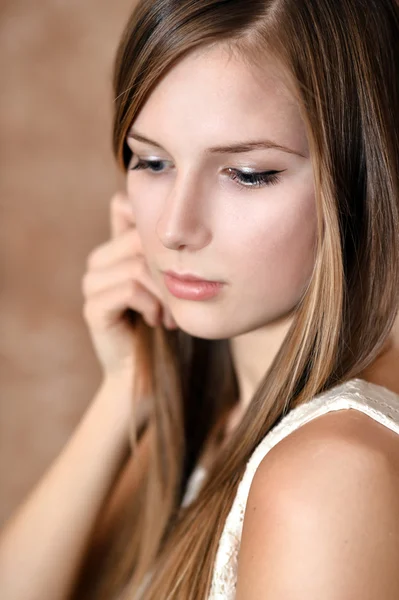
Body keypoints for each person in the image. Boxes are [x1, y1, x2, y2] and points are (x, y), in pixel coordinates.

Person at [1, 0, 399, 598]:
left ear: (362, 176)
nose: (174, 228)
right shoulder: (212, 424)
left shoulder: (328, 476)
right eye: (152, 161)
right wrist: (123, 398)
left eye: (246, 174)